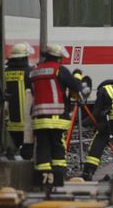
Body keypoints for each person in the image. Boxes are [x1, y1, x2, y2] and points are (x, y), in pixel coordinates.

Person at [30, 44, 83, 188]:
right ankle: (58, 179)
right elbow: (76, 87)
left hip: (39, 117)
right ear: (59, 57)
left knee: (42, 148)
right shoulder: (59, 70)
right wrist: (78, 75)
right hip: (56, 117)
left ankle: (43, 183)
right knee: (58, 148)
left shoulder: (35, 71)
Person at [5, 43, 34, 158]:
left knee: (10, 150)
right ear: (25, 57)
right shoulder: (30, 72)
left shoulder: (4, 72)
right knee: (28, 150)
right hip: (27, 123)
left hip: (9, 123)